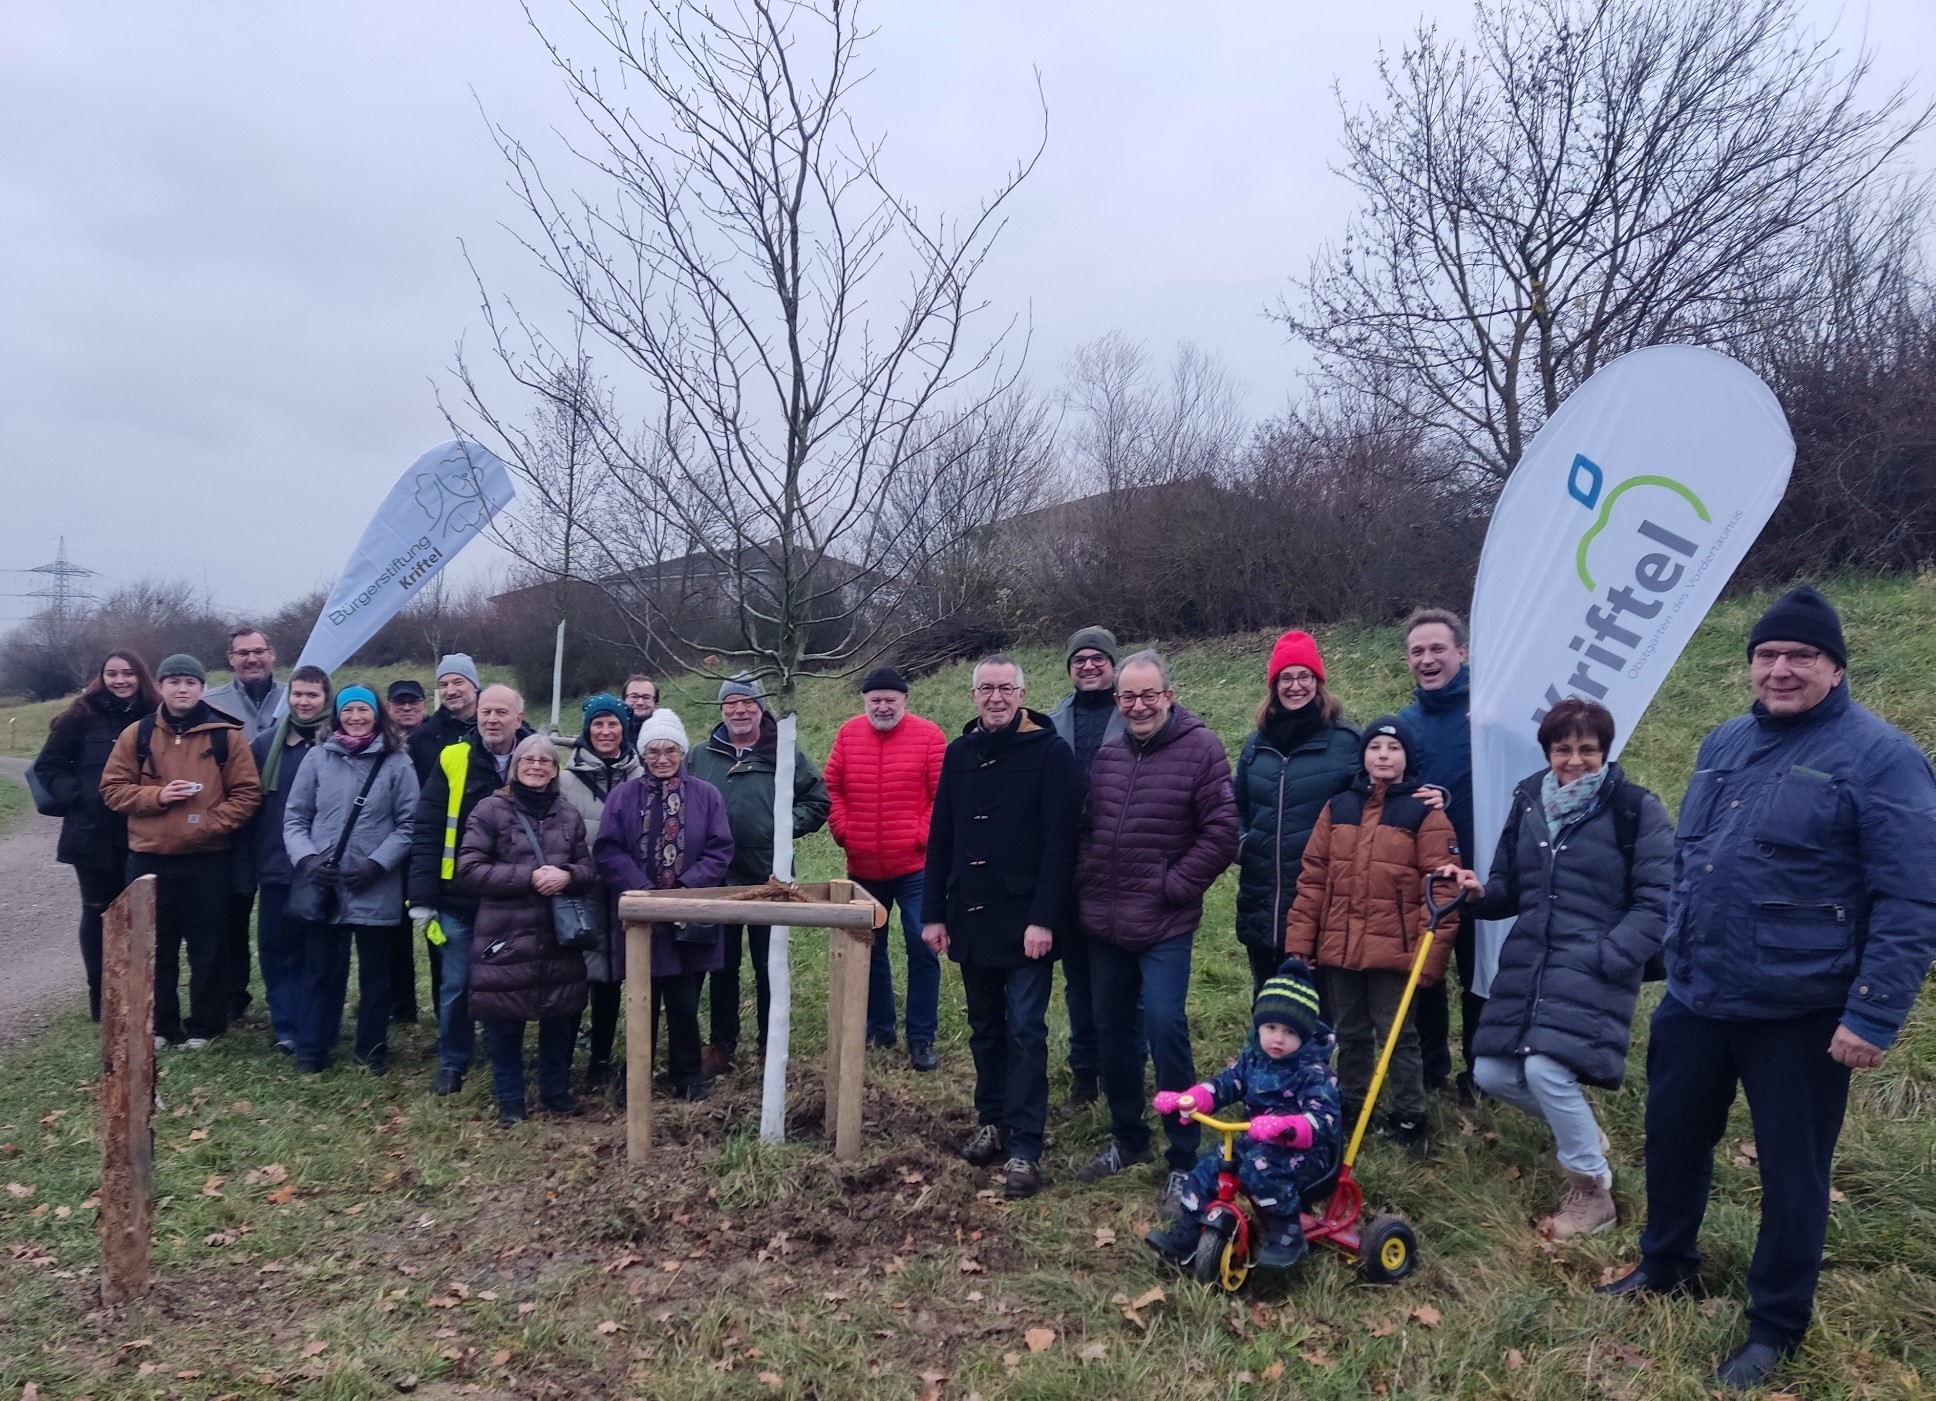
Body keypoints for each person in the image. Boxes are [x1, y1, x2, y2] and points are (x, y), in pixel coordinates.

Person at [1597, 587, 1936, 1390]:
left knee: (1792, 1172)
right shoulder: (1723, 741)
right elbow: (1695, 859)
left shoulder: (1880, 756)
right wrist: (1672, 950)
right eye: (1767, 655)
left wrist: (1873, 1011)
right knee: (1674, 1137)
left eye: (1800, 657)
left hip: (1803, 1009)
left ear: (1835, 667)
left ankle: (1776, 1322)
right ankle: (1667, 1262)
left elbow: (1913, 894)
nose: (1780, 670)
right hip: (1699, 995)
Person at [1445, 698, 1672, 1240]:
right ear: (1548, 751)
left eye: (1587, 749)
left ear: (1604, 752)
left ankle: (1592, 1192)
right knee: (1492, 1073)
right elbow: (1511, 888)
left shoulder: (1636, 809)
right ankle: (1586, 1135)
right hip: (1531, 961)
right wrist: (1476, 893)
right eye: (1563, 749)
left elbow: (1660, 903)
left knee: (1548, 1070)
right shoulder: (1530, 801)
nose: (1574, 760)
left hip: (1594, 964)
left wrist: (1609, 957)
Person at [1073, 650, 1240, 1213]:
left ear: (1169, 695)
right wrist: (1086, 880)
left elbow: (1221, 835)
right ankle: (1128, 1139)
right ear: (1117, 702)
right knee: (1112, 1030)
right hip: (1105, 920)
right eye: (1128, 697)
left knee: (1167, 1028)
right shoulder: (1109, 754)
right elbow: (1091, 825)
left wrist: (1171, 886)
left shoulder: (1202, 749)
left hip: (1164, 921)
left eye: (1148, 695)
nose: (1138, 706)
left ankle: (1184, 1156)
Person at [922, 654, 1081, 1198]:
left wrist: (1044, 919)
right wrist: (933, 913)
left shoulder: (1051, 753)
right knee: (985, 1028)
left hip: (1025, 922)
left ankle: (1025, 1147)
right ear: (974, 696)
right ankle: (992, 1122)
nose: (996, 698)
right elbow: (941, 834)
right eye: (986, 689)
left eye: (1006, 689)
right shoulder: (958, 754)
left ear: (1022, 692)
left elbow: (1062, 845)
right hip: (969, 916)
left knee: (1025, 1030)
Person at [1283, 715, 1457, 1157]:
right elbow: (1313, 878)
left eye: (1393, 749)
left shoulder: (1425, 812)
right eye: (1375, 747)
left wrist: (1430, 958)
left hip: (1395, 951)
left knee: (1398, 1034)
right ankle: (1352, 1103)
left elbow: (1442, 888)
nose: (1383, 756)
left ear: (1408, 758)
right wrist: (1301, 941)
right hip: (1339, 946)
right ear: (1363, 755)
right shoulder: (1339, 806)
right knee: (1351, 1031)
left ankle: (1409, 1114)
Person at [99, 653, 262, 1048]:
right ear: (160, 687)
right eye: (173, 682)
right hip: (149, 857)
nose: (182, 689)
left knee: (208, 946)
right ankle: (160, 1026)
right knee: (155, 946)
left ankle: (206, 1026)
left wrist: (208, 825)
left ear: (202, 687)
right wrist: (157, 796)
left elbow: (247, 793)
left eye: (190, 682)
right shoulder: (136, 735)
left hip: (208, 859)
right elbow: (112, 789)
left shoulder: (226, 735)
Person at [1143, 959, 1343, 1270]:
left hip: (1307, 1153)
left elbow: (1324, 1120)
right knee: (1207, 1168)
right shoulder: (1254, 1059)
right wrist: (1193, 1099)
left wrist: (1285, 1127)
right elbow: (1226, 1083)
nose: (1277, 1038)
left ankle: (1286, 1229)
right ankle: (1189, 1231)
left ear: (1304, 1035)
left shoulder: (1313, 1073)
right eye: (1271, 1028)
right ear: (1258, 1027)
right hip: (1256, 1140)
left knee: (1259, 1168)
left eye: (1289, 1032)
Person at [686, 675, 830, 1075]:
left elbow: (818, 800)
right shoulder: (700, 755)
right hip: (718, 879)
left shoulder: (782, 750)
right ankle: (722, 1044)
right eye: (730, 703)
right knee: (723, 965)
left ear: (761, 708)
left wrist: (781, 826)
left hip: (771, 878)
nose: (739, 710)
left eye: (747, 703)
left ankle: (771, 1045)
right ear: (721, 710)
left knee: (770, 964)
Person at [593, 709, 736, 1101]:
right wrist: (642, 890)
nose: (661, 758)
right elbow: (608, 848)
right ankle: (636, 1073)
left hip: (687, 913)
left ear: (682, 752)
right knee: (642, 999)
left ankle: (687, 1075)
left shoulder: (706, 795)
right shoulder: (624, 796)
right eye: (653, 750)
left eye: (670, 750)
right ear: (643, 754)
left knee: (684, 999)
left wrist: (686, 888)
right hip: (641, 916)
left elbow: (720, 848)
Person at [456, 734, 597, 1126]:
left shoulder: (567, 815)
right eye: (528, 760)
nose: (536, 766)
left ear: (555, 770)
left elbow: (588, 870)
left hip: (558, 935)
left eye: (545, 761)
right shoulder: (490, 810)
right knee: (503, 1020)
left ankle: (555, 1091)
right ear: (516, 766)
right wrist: (529, 876)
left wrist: (566, 874)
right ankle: (511, 1100)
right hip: (505, 934)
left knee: (560, 1014)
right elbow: (468, 870)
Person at [282, 685, 419, 1075]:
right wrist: (307, 860)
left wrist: (378, 864)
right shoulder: (317, 760)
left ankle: (371, 1050)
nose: (356, 717)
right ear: (336, 715)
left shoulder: (397, 764)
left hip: (375, 884)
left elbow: (409, 825)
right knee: (320, 971)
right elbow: (295, 817)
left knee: (376, 976)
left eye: (363, 710)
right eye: (348, 710)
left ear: (377, 715)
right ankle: (312, 1048)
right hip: (326, 884)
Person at [408, 683, 534, 1096]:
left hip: (514, 896)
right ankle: (453, 1060)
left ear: (519, 716)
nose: (492, 720)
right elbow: (427, 827)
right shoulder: (453, 757)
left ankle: (507, 1056)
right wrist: (423, 897)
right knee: (457, 984)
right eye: (486, 712)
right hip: (459, 896)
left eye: (501, 712)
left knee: (511, 981)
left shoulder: (538, 758)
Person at [823, 665, 946, 1071]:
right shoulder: (848, 734)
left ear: (904, 701)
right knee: (868, 951)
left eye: (890, 699)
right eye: (875, 699)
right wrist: (843, 829)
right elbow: (832, 787)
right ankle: (878, 1029)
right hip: (863, 868)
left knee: (922, 947)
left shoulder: (929, 737)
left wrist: (920, 834)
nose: (882, 706)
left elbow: (941, 796)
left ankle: (921, 1037)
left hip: (914, 868)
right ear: (865, 701)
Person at [1234, 630, 1362, 998]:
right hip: (1261, 902)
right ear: (1274, 686)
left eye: (1304, 676)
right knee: (1269, 1005)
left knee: (1317, 1010)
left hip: (1321, 904)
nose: (1295, 686)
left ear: (1318, 682)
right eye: (1285, 678)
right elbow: (1237, 804)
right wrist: (1242, 842)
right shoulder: (1256, 744)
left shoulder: (1348, 743)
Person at [33, 650, 158, 1021]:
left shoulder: (155, 714)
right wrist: (80, 795)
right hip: (91, 831)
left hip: (143, 829)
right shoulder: (81, 716)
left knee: (140, 912)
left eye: (127, 674)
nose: (120, 681)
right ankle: (101, 999)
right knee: (97, 911)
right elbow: (47, 767)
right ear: (101, 678)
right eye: (112, 674)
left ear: (141, 676)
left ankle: (138, 993)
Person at [1396, 607, 1482, 1105]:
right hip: (1422, 878)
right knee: (1424, 975)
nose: (1427, 660)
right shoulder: (1404, 725)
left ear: (1461, 652)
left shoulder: (1488, 712)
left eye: (1437, 649)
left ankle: (1479, 1071)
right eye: (1417, 652)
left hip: (1481, 871)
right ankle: (1431, 1068)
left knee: (1478, 977)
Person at [1045, 626, 1123, 1109]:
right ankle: (1085, 1070)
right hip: (1070, 870)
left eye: (1098, 658)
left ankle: (1124, 1067)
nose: (1089, 665)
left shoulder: (1136, 713)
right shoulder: (1051, 724)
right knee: (1078, 980)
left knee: (1120, 980)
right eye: (1080, 660)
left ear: (1112, 665)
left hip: (1120, 869)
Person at [241, 664, 334, 1053]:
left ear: (326, 698)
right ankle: (287, 1026)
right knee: (277, 949)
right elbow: (249, 804)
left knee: (318, 951)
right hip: (276, 864)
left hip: (322, 867)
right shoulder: (265, 745)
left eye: (312, 695)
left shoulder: (338, 741)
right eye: (297, 694)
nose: (304, 701)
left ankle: (315, 1024)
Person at [556, 693, 644, 1094]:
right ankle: (560, 1061)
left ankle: (601, 1060)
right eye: (598, 724)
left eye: (613, 724)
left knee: (611, 978)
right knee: (577, 974)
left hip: (628, 890)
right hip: (584, 888)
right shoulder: (567, 778)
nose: (605, 731)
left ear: (624, 729)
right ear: (587, 730)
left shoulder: (641, 774)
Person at [203, 625, 285, 1021]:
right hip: (231, 827)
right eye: (242, 653)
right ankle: (232, 995)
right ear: (230, 658)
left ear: (272, 654)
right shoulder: (209, 702)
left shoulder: (297, 696)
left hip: (279, 826)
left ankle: (283, 996)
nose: (251, 659)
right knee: (229, 914)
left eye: (258, 651)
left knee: (279, 917)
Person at [384, 678, 430, 1023]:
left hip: (428, 845)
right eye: (399, 702)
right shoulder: (382, 742)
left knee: (434, 928)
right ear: (389, 707)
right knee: (392, 929)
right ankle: (401, 1005)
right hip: (391, 845)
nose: (406, 707)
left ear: (424, 705)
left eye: (413, 702)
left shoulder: (434, 739)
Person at [408, 654, 483, 782]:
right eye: (443, 685)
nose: (450, 691)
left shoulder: (498, 727)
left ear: (475, 686)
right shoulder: (423, 737)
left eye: (458, 682)